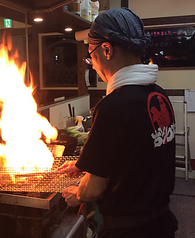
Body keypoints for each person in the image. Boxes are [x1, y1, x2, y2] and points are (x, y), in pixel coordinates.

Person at [61, 7, 178, 238]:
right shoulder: (159, 95)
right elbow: (136, 154)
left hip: (127, 231)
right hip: (161, 225)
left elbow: (94, 189)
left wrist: (79, 193)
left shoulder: (113, 106)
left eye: (90, 56)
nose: (92, 64)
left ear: (106, 50)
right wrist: (83, 165)